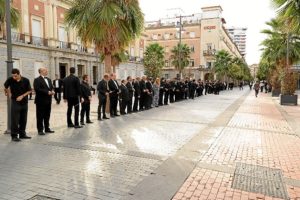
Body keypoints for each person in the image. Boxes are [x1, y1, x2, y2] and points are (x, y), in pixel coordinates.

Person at [4, 68, 32, 141]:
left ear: (19, 74)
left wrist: (22, 96)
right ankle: (14, 136)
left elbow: (29, 91)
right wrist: (8, 93)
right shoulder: (10, 79)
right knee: (15, 119)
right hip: (15, 102)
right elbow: (5, 86)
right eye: (13, 76)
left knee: (23, 119)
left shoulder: (26, 80)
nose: (14, 77)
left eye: (15, 76)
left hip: (24, 102)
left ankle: (22, 134)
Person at [33, 67, 55, 135]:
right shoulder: (37, 80)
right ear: (41, 71)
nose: (47, 71)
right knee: (40, 116)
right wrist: (47, 92)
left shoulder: (48, 79)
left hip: (48, 100)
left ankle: (47, 128)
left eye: (46, 70)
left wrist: (52, 91)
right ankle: (40, 130)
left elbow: (51, 87)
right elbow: (37, 89)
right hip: (40, 101)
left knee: (47, 115)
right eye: (45, 70)